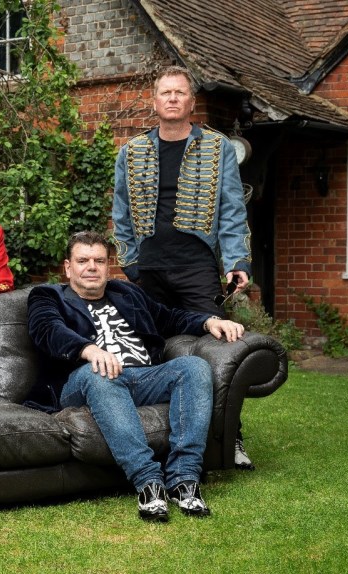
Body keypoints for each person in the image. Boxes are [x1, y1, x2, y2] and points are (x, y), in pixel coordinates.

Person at [25, 231, 245, 522]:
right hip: (82, 380)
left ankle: (184, 479)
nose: (91, 267)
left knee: (193, 367)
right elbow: (47, 329)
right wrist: (88, 349)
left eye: (99, 261)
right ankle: (148, 482)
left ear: (108, 266)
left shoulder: (127, 293)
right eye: (82, 261)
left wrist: (208, 321)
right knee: (99, 373)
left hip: (143, 377)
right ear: (68, 267)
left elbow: (168, 317)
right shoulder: (47, 296)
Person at [112, 65, 256, 470]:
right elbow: (120, 213)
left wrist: (237, 261)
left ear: (191, 102)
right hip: (149, 269)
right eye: (166, 92)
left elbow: (232, 209)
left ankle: (230, 435)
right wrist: (131, 263)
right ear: (155, 101)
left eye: (180, 92)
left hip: (197, 267)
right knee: (149, 351)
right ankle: (159, 434)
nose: (172, 98)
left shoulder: (217, 147)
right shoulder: (132, 151)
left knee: (215, 350)